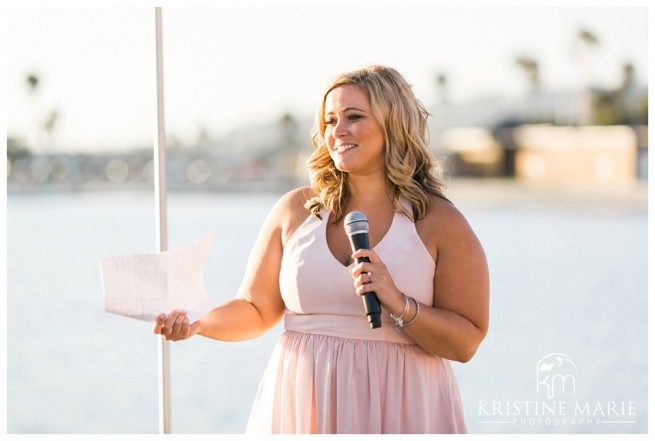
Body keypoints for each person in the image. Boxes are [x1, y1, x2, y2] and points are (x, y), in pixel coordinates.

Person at [153, 65, 489, 434]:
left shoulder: (439, 221)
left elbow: (466, 342)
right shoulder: (294, 211)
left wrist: (397, 301)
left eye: (354, 117)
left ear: (394, 124)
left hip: (402, 406)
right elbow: (255, 309)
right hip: (303, 404)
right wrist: (199, 324)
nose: (338, 130)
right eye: (329, 121)